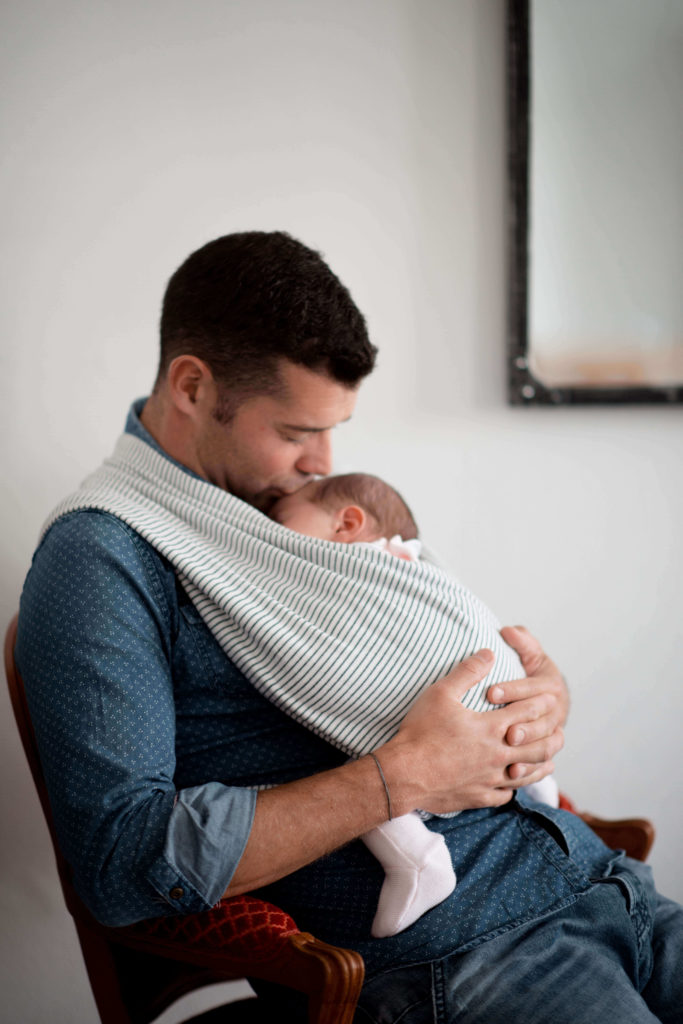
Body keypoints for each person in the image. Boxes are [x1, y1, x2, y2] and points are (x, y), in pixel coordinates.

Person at [15, 231, 682, 1023]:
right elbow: (122, 861)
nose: (321, 462)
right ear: (191, 386)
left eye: (332, 430)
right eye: (296, 433)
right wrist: (404, 777)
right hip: (467, 960)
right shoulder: (102, 558)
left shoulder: (296, 521)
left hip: (604, 886)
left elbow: (422, 652)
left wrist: (529, 702)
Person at [268, 471, 559, 937]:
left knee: (366, 755)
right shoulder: (413, 558)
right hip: (502, 693)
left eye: (280, 519)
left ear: (346, 525)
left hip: (444, 705)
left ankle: (419, 860)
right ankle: (542, 787)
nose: (268, 532)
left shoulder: (342, 568)